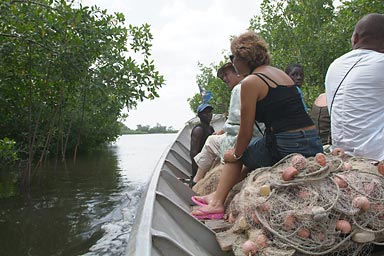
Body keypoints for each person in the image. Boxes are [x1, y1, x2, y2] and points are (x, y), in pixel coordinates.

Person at [191, 31, 323, 220]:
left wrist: (234, 154)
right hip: (313, 141)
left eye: (233, 57)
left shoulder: (251, 82)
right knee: (252, 151)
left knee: (234, 152)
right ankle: (217, 194)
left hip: (288, 145)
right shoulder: (278, 73)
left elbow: (244, 133)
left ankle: (216, 204)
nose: (232, 61)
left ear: (243, 57)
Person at [192, 62, 264, 185]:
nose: (225, 79)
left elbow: (236, 128)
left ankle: (195, 181)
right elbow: (240, 120)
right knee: (215, 138)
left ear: (237, 71)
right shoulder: (257, 84)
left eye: (226, 74)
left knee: (210, 142)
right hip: (260, 138)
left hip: (245, 141)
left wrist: (229, 155)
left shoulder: (239, 88)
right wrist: (222, 131)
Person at [325, 13, 384, 161]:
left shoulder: (335, 64)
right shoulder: (380, 62)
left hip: (340, 153)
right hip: (376, 156)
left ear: (355, 38)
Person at [190, 103, 215, 187]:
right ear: (199, 115)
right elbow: (193, 153)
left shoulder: (210, 128)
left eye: (210, 112)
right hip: (201, 164)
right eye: (205, 113)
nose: (209, 115)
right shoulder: (198, 130)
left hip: (209, 159)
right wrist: (197, 172)